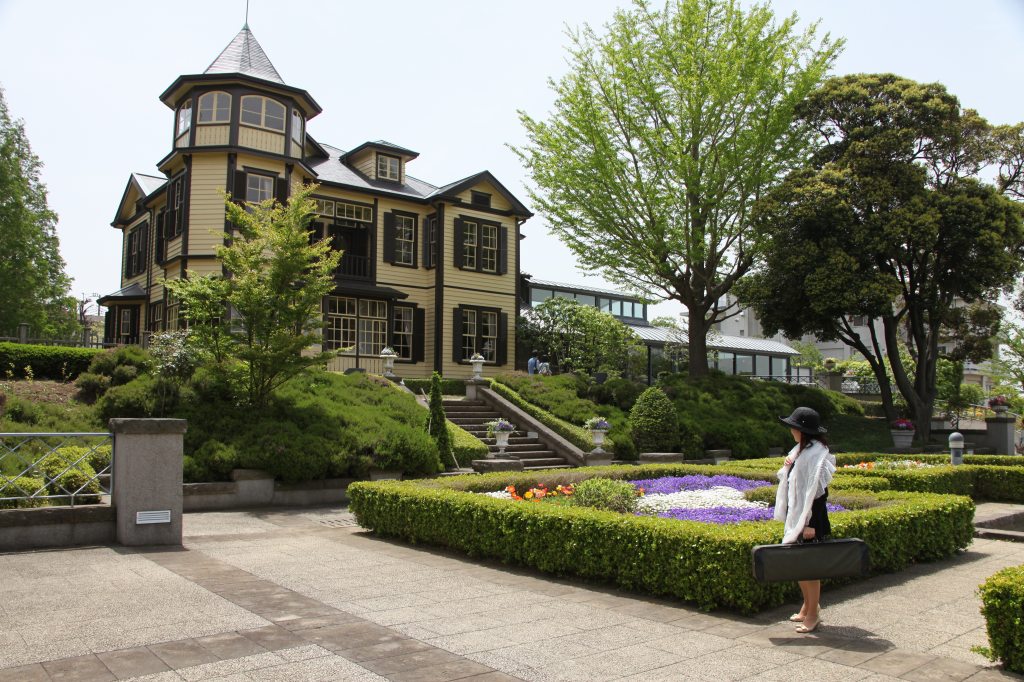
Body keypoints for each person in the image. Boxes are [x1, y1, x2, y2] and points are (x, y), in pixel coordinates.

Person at [775, 406, 836, 634]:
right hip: (798, 515)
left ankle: (813, 614)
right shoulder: (800, 450)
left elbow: (818, 493)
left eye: (793, 427)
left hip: (811, 519)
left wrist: (809, 524)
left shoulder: (816, 453)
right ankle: (808, 606)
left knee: (809, 568)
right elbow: (792, 480)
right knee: (799, 565)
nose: (791, 430)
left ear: (802, 430)